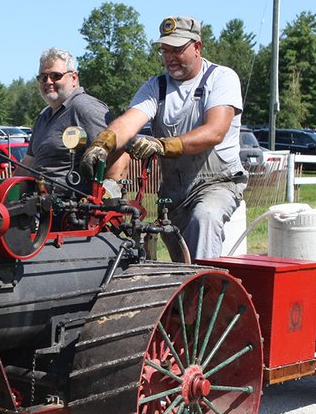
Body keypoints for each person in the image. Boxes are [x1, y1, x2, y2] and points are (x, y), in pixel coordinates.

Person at [83, 16, 245, 260]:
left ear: (197, 47)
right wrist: (102, 143)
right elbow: (129, 121)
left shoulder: (221, 78)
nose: (169, 57)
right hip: (174, 192)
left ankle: (202, 294)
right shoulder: (156, 87)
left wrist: (161, 145)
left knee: (205, 217)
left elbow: (215, 131)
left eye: (177, 50)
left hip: (217, 183)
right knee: (176, 261)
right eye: (165, 50)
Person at [23, 48, 112, 182]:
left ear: (74, 78)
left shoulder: (85, 108)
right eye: (43, 77)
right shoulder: (44, 115)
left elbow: (115, 155)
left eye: (56, 76)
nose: (48, 81)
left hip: (70, 200)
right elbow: (28, 163)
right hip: (35, 199)